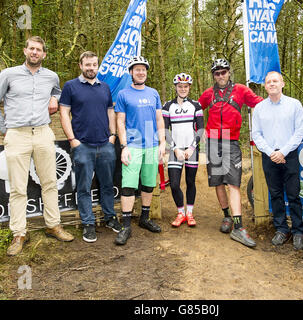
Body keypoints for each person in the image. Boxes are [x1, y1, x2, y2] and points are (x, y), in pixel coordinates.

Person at [0, 36, 74, 256]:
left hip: (43, 132)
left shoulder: (51, 76)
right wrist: (6, 129)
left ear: (44, 54)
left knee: (50, 181)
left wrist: (55, 96)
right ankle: (19, 233)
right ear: (25, 51)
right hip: (17, 134)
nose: (35, 52)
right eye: (31, 48)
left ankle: (53, 225)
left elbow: (58, 93)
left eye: (39, 50)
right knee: (17, 186)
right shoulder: (8, 74)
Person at [198, 58, 263, 248]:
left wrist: (281, 103)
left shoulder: (241, 90)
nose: (220, 76)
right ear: (214, 76)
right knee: (218, 182)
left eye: (223, 72)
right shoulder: (208, 93)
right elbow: (195, 110)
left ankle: (238, 226)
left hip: (231, 140)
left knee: (233, 183)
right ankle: (226, 216)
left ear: (229, 72)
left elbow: (259, 104)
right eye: (217, 73)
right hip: (211, 142)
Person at [59, 51, 122, 243]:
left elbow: (110, 111)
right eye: (87, 65)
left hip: (105, 145)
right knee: (84, 187)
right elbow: (64, 114)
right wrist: (72, 140)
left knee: (107, 185)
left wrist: (112, 136)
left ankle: (110, 218)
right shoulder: (70, 86)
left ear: (98, 66)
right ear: (80, 65)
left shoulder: (105, 87)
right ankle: (88, 224)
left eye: (94, 65)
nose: (91, 68)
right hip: (83, 146)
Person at [114, 56, 166, 245]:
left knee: (148, 183)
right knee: (128, 185)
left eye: (143, 69)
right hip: (133, 146)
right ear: (131, 73)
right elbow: (120, 121)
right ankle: (126, 225)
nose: (140, 72)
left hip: (152, 146)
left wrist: (162, 143)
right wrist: (124, 146)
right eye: (137, 69)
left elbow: (160, 119)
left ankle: (144, 218)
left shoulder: (153, 93)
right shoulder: (123, 94)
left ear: (146, 72)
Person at [252, 71, 303, 250]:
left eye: (275, 81)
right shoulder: (259, 108)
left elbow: (299, 132)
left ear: (282, 83)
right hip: (269, 156)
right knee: (275, 194)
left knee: (293, 194)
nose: (272, 84)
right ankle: (281, 229)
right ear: (265, 86)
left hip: (289, 155)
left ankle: (298, 231)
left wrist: (282, 152)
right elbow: (256, 134)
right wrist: (270, 152)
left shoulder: (294, 105)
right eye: (268, 82)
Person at [162, 73, 204, 227]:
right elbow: (165, 130)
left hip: (191, 149)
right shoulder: (167, 106)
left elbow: (200, 129)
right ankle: (180, 212)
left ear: (189, 87)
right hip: (176, 150)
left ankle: (190, 213)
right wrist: (174, 148)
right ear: (176, 87)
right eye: (180, 86)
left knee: (190, 181)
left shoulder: (196, 105)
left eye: (186, 86)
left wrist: (192, 147)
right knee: (174, 184)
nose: (183, 89)